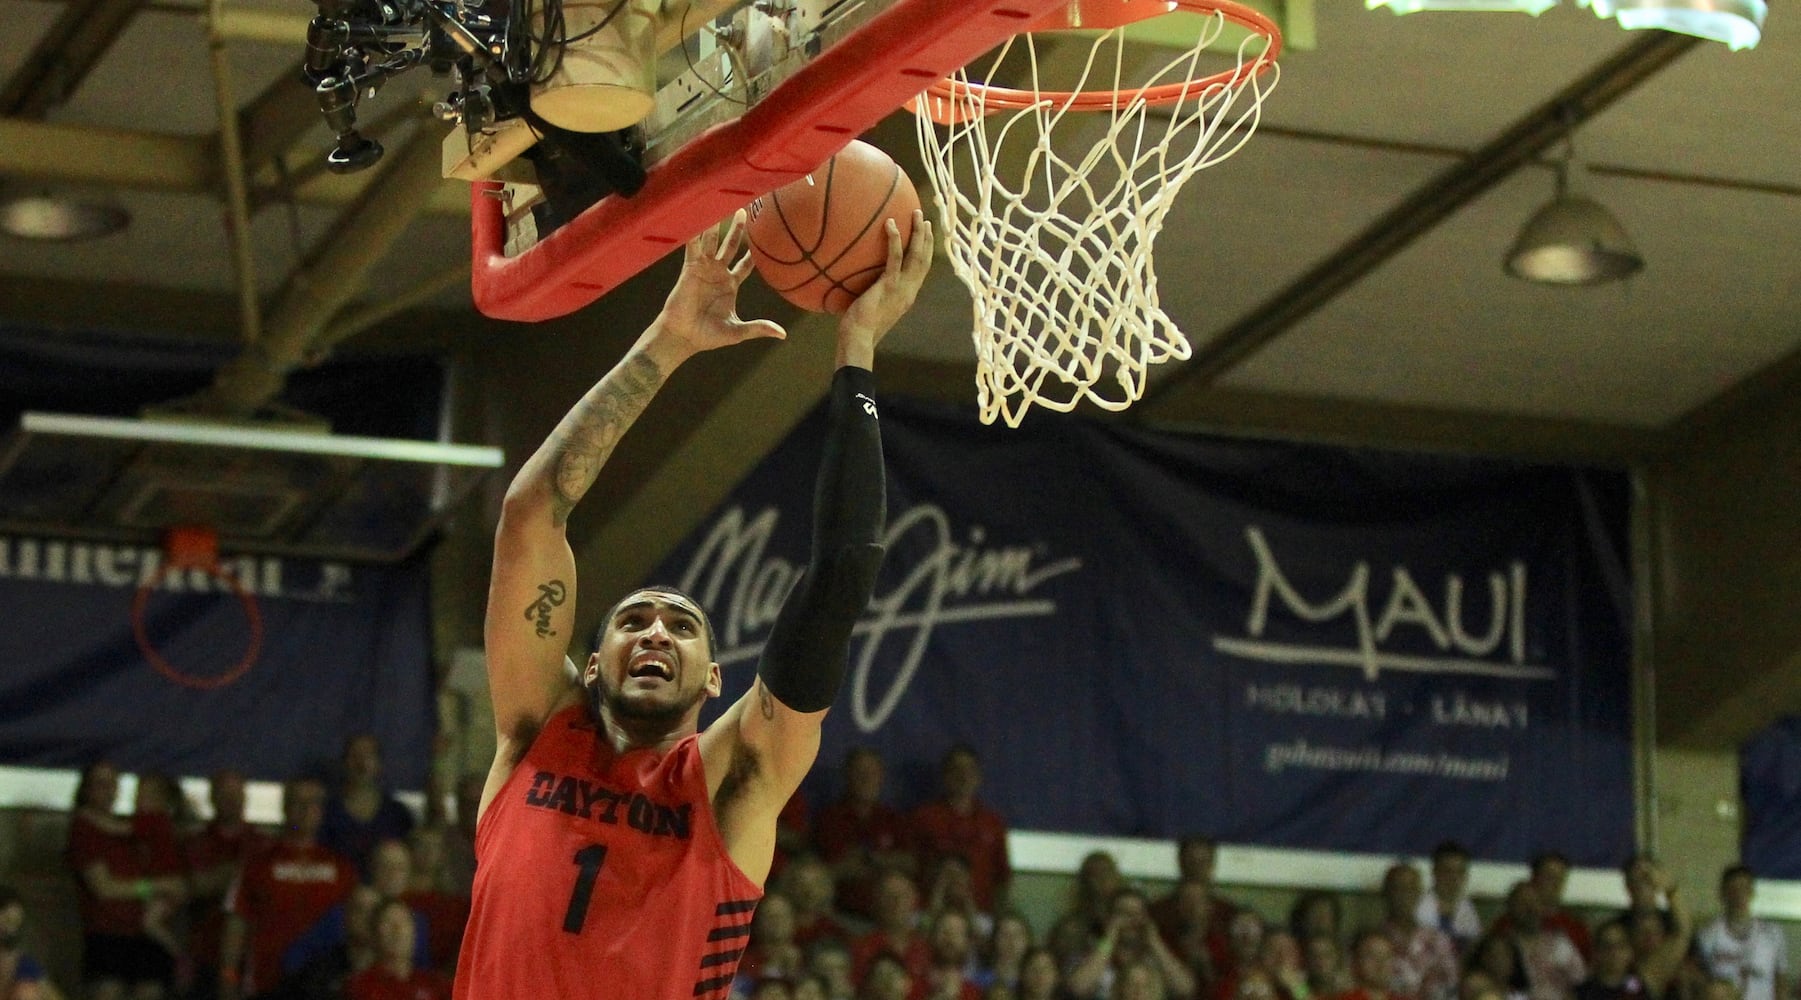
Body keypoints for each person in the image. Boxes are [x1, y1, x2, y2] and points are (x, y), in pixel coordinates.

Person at [450, 206, 932, 1000]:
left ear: (715, 679)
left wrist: (857, 345)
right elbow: (532, 513)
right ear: (592, 663)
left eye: (682, 626)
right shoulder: (537, 729)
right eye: (632, 620)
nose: (655, 632)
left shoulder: (734, 775)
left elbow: (844, 566)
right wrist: (670, 339)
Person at [220, 777, 358, 1000]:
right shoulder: (257, 864)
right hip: (267, 986)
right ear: (284, 808)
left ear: (321, 811)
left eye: (313, 803)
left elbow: (358, 927)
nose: (305, 810)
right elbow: (236, 925)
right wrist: (228, 980)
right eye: (297, 802)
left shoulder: (342, 868)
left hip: (324, 989)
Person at [65, 760, 188, 1000]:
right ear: (87, 790)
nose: (109, 790)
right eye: (100, 784)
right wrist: (157, 887)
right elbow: (104, 888)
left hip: (143, 939)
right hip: (109, 935)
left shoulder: (136, 824)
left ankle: (178, 955)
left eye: (113, 783)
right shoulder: (85, 829)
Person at [815, 747, 916, 922]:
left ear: (881, 777)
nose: (866, 779)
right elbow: (822, 870)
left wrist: (876, 860)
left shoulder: (892, 819)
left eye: (872, 773)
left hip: (890, 914)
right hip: (840, 913)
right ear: (847, 776)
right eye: (860, 773)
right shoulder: (830, 819)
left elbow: (910, 863)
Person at [909, 747, 1012, 914]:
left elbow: (1002, 878)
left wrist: (1000, 917)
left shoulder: (993, 822)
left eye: (970, 770)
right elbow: (911, 867)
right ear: (945, 776)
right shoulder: (924, 817)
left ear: (979, 777)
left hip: (980, 916)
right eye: (956, 770)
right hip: (932, 914)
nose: (964, 776)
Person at [320, 735, 416, 878]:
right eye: (355, 756)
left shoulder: (398, 814)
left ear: (379, 764)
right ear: (344, 762)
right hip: (337, 892)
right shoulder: (327, 812)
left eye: (369, 756)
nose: (362, 763)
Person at [1695, 865, 1788, 1000]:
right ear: (1722, 894)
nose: (1739, 895)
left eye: (1744, 889)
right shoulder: (1707, 935)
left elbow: (1781, 980)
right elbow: (1699, 982)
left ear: (1752, 892)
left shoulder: (1773, 933)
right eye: (1733, 890)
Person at [346, 899, 450, 1000]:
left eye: (404, 922)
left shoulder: (436, 985)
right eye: (388, 923)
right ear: (375, 934)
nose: (398, 930)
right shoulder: (361, 987)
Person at [0, 884, 66, 1000]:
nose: (9, 930)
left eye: (15, 923)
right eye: (6, 920)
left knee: (26, 991)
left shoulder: (21, 963)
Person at [1416, 844, 1480, 956]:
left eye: (1460, 872)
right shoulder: (1417, 906)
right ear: (1434, 872)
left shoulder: (1468, 909)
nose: (1454, 878)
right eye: (1447, 871)